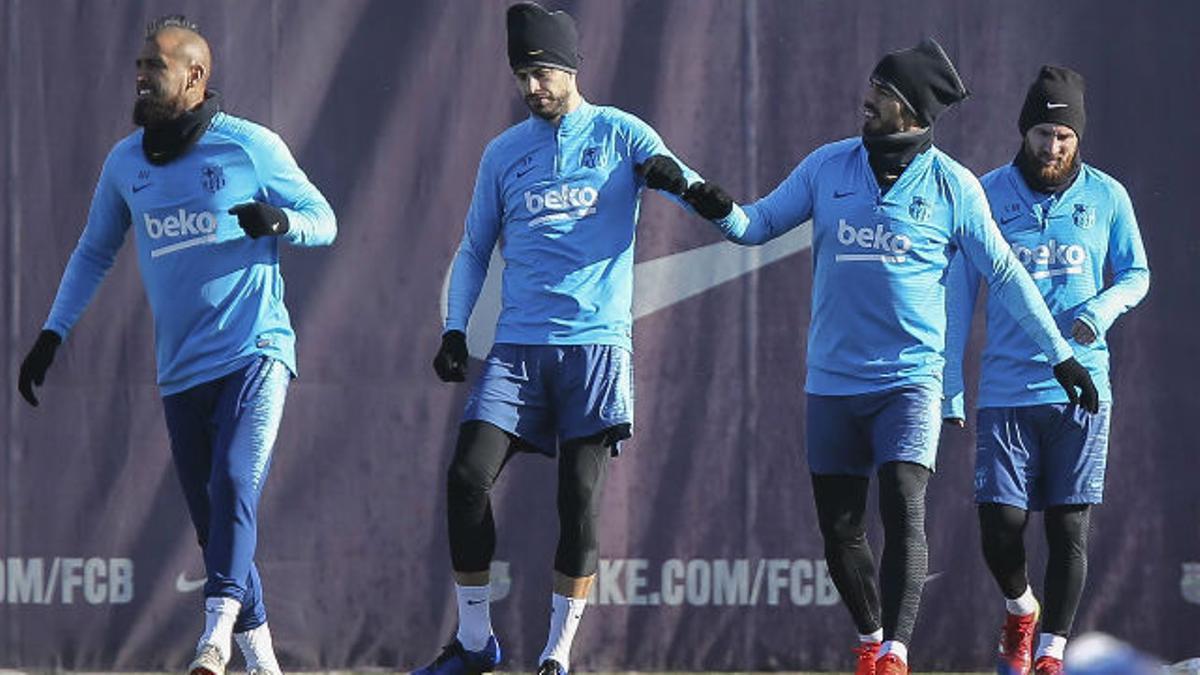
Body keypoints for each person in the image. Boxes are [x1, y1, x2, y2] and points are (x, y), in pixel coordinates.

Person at [676, 39, 1099, 675]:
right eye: (872, 91)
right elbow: (752, 225)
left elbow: (1007, 277)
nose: (866, 103)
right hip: (833, 380)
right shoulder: (827, 167)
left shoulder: (954, 187)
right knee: (840, 530)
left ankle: (897, 654)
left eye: (882, 95)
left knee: (904, 505)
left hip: (911, 380)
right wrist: (700, 196)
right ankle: (871, 639)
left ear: (912, 111)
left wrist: (1062, 357)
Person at [16, 15, 336, 675]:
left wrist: (280, 221)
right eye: (138, 64)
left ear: (195, 76)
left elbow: (322, 219)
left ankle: (213, 642)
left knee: (232, 482)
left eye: (153, 66)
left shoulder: (249, 148)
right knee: (214, 526)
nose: (139, 75)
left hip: (255, 352)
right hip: (180, 370)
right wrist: (52, 332)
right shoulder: (125, 163)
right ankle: (266, 665)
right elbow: (92, 251)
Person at [416, 3, 705, 675]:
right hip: (518, 350)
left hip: (596, 348)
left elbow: (694, 191)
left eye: (541, 72)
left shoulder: (620, 132)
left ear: (571, 67)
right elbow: (473, 249)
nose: (531, 88)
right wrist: (455, 328)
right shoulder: (504, 153)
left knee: (578, 497)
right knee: (465, 477)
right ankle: (475, 641)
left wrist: (691, 188)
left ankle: (556, 653)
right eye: (522, 75)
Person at [942, 66, 1149, 675]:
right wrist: (950, 380)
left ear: (1077, 138)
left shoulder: (1107, 197)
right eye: (1041, 133)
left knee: (1068, 528)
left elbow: (1136, 273)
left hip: (1083, 388)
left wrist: (1100, 310)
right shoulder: (986, 195)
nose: (1052, 147)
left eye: (1063, 136)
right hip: (1007, 387)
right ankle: (1019, 607)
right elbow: (959, 290)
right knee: (1000, 525)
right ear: (1023, 131)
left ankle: (1052, 654)